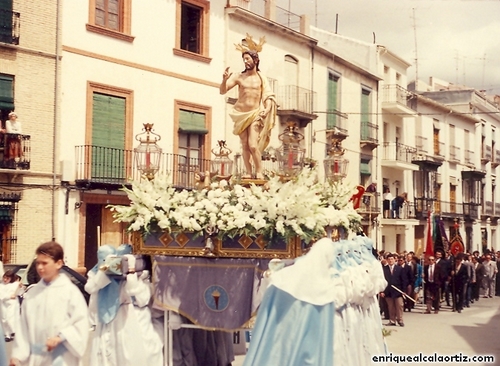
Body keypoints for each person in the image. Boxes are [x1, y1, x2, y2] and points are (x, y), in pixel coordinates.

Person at [9, 241, 89, 366]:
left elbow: (81, 323)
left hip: (62, 358)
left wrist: (61, 337)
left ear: (59, 263)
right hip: (36, 359)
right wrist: (17, 356)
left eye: (45, 263)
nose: (40, 267)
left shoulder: (70, 292)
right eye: (38, 263)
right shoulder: (32, 294)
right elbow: (23, 327)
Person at [219, 40, 277, 180]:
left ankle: (259, 171)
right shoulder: (239, 77)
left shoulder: (261, 78)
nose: (245, 62)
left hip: (256, 113)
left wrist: (267, 109)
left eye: (248, 59)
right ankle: (248, 171)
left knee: (253, 144)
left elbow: (267, 95)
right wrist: (224, 80)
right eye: (244, 59)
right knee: (244, 145)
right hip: (240, 114)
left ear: (255, 60)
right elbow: (223, 91)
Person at [380, 253, 407, 326]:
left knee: (399, 306)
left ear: (395, 260)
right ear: (387, 260)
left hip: (398, 291)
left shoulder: (400, 269)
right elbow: (381, 281)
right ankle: (392, 320)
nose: (390, 261)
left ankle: (400, 320)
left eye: (392, 259)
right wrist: (382, 291)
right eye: (389, 259)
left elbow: (404, 280)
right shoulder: (384, 270)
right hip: (388, 292)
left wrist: (404, 291)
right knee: (391, 307)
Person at [0, 270, 22, 342]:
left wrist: (20, 287)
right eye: (4, 278)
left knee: (11, 319)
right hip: (4, 304)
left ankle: (14, 332)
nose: (5, 280)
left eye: (7, 278)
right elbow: (1, 295)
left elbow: (20, 293)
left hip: (12, 304)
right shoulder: (1, 285)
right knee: (4, 319)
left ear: (11, 278)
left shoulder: (15, 284)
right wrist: (9, 296)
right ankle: (7, 334)